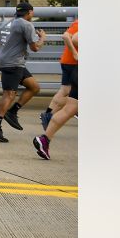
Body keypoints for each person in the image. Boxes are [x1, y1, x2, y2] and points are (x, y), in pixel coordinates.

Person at [0, 1, 46, 142]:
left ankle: (12, 111)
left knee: (34, 87)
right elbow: (35, 48)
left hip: (11, 63)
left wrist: (2, 50)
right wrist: (42, 38)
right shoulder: (27, 25)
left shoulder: (6, 23)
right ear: (29, 12)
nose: (33, 14)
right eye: (32, 12)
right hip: (13, 64)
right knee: (9, 95)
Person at [35, 20, 78, 159]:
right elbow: (68, 37)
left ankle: (45, 139)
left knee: (69, 109)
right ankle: (47, 115)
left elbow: (74, 38)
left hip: (78, 68)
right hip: (76, 65)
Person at [41, 18, 78, 131]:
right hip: (72, 62)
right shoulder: (79, 23)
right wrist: (75, 53)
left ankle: (48, 114)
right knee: (72, 94)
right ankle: (50, 115)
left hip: (68, 61)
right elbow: (66, 36)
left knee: (65, 91)